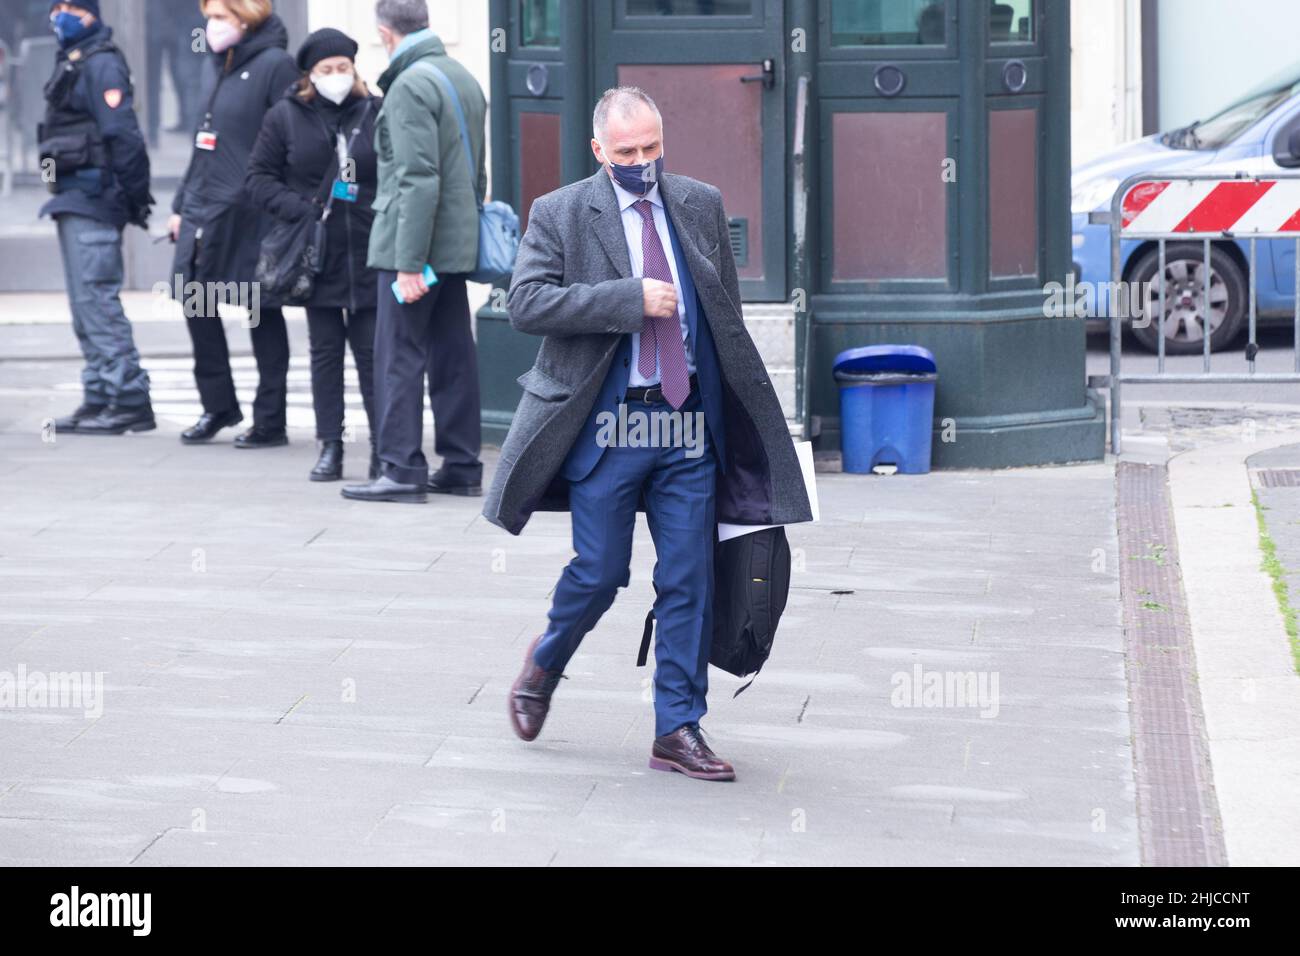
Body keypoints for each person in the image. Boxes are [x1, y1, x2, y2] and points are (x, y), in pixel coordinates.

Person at [483, 87, 814, 781]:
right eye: (627, 152)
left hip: (687, 422)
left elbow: (722, 313)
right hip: (609, 421)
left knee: (689, 577)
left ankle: (678, 728)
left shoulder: (698, 202)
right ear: (600, 150)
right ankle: (544, 664)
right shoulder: (562, 212)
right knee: (601, 572)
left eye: (652, 149)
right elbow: (526, 303)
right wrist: (626, 300)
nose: (642, 163)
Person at [340, 0, 486, 504]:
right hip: (452, 245)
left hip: (413, 246)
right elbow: (473, 173)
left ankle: (401, 468)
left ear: (385, 33)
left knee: (398, 355)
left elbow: (417, 180)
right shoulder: (460, 76)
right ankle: (463, 465)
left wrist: (407, 263)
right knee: (453, 354)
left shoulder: (407, 87)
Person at [245, 28, 381, 481]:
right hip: (314, 256)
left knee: (371, 353)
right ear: (310, 75)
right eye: (327, 70)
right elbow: (259, 178)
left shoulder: (375, 110)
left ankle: (385, 447)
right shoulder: (285, 116)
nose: (336, 76)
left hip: (366, 250)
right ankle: (331, 446)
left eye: (343, 68)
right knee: (325, 353)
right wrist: (302, 211)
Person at [167, 0, 298, 447]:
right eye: (209, 16)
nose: (211, 25)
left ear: (247, 18)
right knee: (195, 299)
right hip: (205, 208)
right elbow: (204, 141)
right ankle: (218, 406)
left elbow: (289, 138)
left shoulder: (276, 65)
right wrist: (181, 204)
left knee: (260, 309)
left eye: (221, 16)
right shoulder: (217, 63)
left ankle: (270, 419)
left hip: (252, 210)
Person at [40, 0, 156, 436]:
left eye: (72, 6)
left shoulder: (102, 63)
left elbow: (122, 133)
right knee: (83, 305)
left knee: (98, 301)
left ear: (92, 14)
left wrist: (134, 197)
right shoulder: (73, 62)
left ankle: (128, 398)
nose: (61, 14)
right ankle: (100, 393)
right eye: (57, 6)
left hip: (96, 197)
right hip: (72, 198)